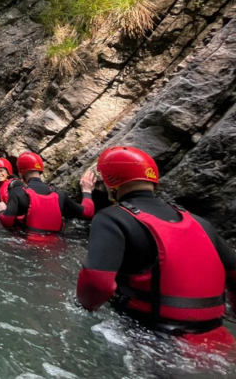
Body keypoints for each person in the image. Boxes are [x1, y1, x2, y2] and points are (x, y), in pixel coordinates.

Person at [77, 146, 236, 351]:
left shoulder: (111, 218)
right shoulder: (200, 223)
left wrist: (84, 308)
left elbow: (97, 284)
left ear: (110, 182)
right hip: (218, 339)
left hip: (154, 340)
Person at [0, 151, 95, 232]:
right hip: (56, 245)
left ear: (21, 172)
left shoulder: (17, 192)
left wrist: (3, 210)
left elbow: (7, 221)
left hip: (28, 244)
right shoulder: (60, 195)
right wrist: (87, 191)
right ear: (41, 170)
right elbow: (88, 213)